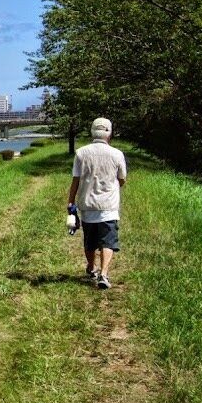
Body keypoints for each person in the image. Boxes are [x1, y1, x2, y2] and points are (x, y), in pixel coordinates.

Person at [67, 117, 126, 290]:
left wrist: (70, 202)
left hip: (87, 205)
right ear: (109, 133)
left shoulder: (81, 153)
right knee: (108, 241)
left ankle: (91, 267)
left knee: (90, 241)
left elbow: (75, 181)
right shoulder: (117, 154)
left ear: (92, 131)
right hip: (109, 206)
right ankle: (104, 273)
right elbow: (122, 179)